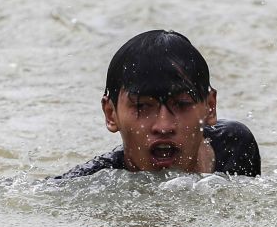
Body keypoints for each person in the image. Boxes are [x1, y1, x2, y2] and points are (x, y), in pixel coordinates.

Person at [52, 30, 261, 179]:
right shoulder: (91, 183)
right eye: (142, 107)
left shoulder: (234, 146)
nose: (163, 126)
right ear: (110, 114)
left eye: (182, 104)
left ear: (210, 107)